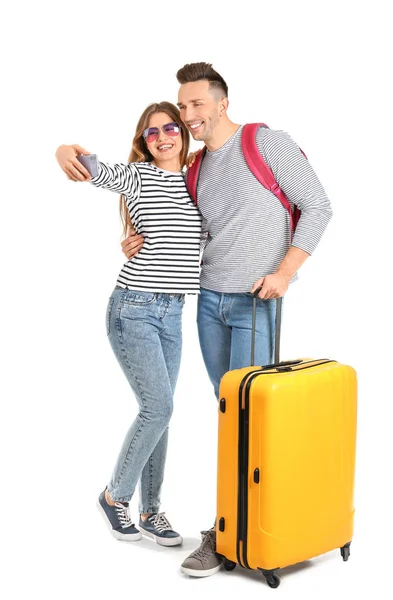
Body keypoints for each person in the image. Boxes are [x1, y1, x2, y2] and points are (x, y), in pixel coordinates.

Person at [121, 63, 333, 576]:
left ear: (222, 102)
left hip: (257, 302)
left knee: (253, 418)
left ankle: (238, 529)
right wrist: (134, 236)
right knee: (230, 418)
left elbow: (319, 206)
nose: (189, 115)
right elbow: (171, 215)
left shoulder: (267, 143)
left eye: (196, 104)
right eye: (183, 105)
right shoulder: (196, 168)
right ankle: (234, 525)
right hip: (207, 303)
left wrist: (285, 273)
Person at [55, 101, 202, 547]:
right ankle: (114, 495)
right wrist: (63, 150)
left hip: (174, 311)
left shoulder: (199, 180)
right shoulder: (139, 177)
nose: (162, 137)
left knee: (162, 414)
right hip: (133, 308)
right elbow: (88, 164)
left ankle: (151, 510)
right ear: (144, 141)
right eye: (151, 132)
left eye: (170, 128)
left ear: (183, 133)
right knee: (157, 408)